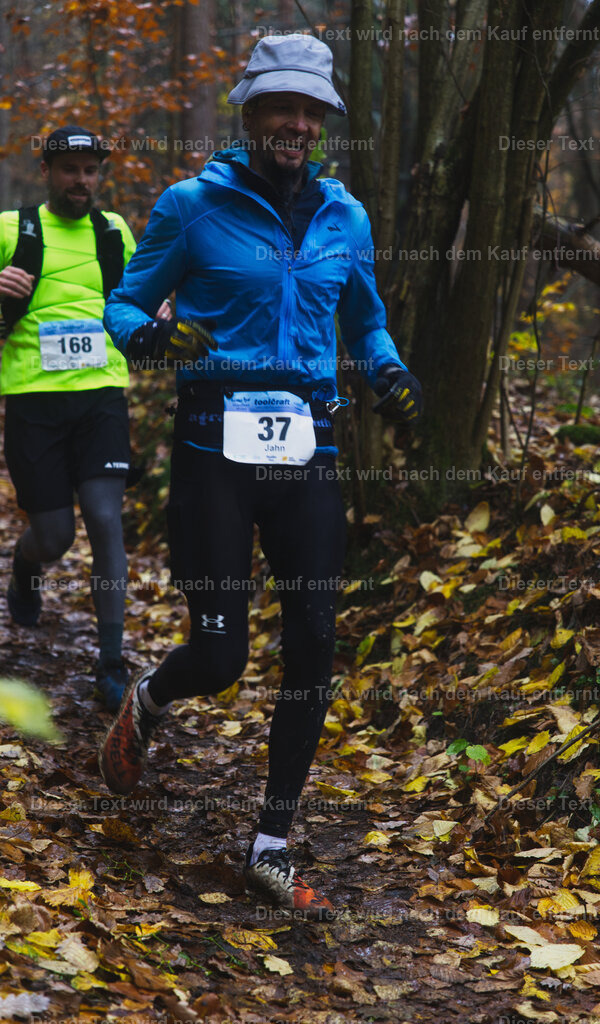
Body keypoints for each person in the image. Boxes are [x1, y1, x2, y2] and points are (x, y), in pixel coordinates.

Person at [99, 34, 422, 920]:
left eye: (311, 110)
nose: (295, 122)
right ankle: (152, 696)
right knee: (222, 654)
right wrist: (154, 337)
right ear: (249, 112)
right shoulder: (190, 205)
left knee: (314, 650)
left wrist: (388, 369)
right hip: (214, 448)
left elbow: (364, 322)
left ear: (322, 124)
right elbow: (122, 303)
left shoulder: (344, 217)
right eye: (281, 106)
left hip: (311, 448)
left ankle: (271, 848)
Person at [0, 126, 169, 711]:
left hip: (101, 396)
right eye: (70, 169)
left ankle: (111, 663)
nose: (82, 180)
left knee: (104, 518)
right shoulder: (10, 229)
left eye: (91, 169)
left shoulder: (112, 230)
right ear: (46, 171)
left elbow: (132, 297)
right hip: (33, 403)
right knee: (55, 535)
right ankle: (25, 568)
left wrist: (158, 309)